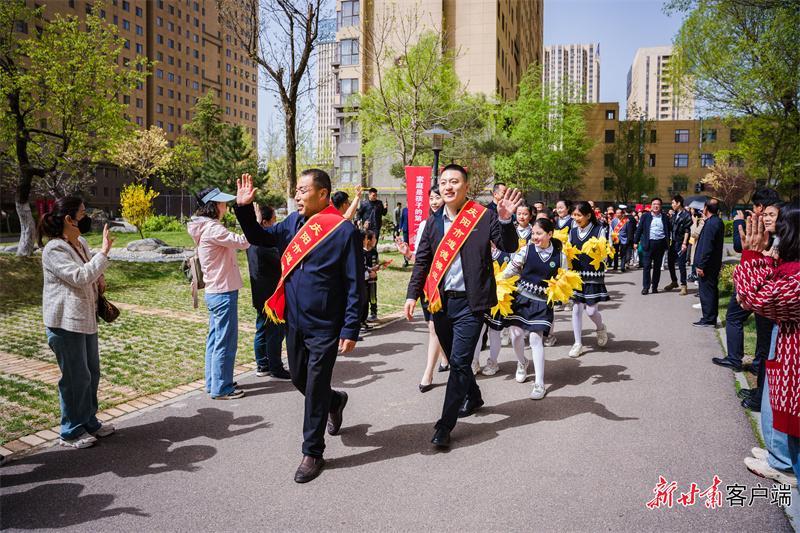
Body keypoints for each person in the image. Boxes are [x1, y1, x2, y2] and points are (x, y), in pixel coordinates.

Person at [235, 170, 362, 483]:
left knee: (315, 386)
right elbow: (260, 238)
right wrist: (243, 209)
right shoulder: (292, 224)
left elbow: (354, 284)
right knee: (299, 378)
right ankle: (335, 401)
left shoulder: (344, 231)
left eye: (303, 190)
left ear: (323, 194)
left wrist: (350, 328)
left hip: (326, 325)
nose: (297, 196)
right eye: (296, 191)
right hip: (294, 320)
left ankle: (312, 451)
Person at [405, 164, 522, 448]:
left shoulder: (483, 217)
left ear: (466, 186)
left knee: (458, 362)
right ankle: (474, 395)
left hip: (472, 304)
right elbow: (422, 261)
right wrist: (411, 295)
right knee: (457, 359)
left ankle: (444, 426)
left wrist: (506, 220)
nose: (448, 187)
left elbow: (509, 246)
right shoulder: (433, 222)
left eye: (454, 181)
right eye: (444, 182)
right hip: (440, 302)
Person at [40, 197, 116, 449]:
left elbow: (91, 272)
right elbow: (80, 276)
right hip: (64, 324)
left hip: (85, 318)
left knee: (91, 372)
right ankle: (70, 430)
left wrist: (100, 275)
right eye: (83, 213)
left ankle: (88, 420)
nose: (88, 217)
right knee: (75, 378)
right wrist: (104, 253)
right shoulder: (54, 250)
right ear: (69, 219)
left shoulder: (80, 243)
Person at [734, 202, 800, 482]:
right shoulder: (791, 267)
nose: (776, 231)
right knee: (779, 401)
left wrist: (751, 255)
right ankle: (780, 456)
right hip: (788, 345)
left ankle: (784, 462)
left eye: (781, 225)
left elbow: (757, 296)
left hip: (793, 351)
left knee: (791, 413)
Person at [188, 187, 250, 400]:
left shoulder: (204, 227)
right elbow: (243, 242)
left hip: (215, 292)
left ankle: (213, 382)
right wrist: (254, 222)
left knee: (215, 339)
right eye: (222, 203)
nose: (226, 206)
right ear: (213, 206)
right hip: (223, 292)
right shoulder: (213, 229)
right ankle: (221, 388)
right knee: (225, 341)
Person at [712, 189, 780, 378]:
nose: (766, 218)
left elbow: (738, 245)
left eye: (770, 215)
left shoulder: (763, 227)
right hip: (761, 284)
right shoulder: (779, 226)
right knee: (763, 327)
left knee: (735, 317)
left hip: (755, 284)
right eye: (766, 215)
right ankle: (758, 366)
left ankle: (736, 359)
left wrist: (739, 222)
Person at [498, 218, 566, 400]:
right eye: (533, 233)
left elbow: (564, 280)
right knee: (516, 335)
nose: (534, 237)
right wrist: (496, 281)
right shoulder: (526, 250)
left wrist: (562, 296)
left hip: (543, 303)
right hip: (521, 299)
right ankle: (522, 362)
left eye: (539, 233)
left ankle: (539, 383)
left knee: (536, 339)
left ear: (550, 234)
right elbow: (510, 270)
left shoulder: (560, 256)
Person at [395, 186, 449, 392]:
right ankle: (444, 359)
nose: (435, 201)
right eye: (432, 198)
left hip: (449, 285)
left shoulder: (457, 225)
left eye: (438, 197)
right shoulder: (426, 224)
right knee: (433, 327)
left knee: (435, 328)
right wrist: (408, 254)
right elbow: (422, 260)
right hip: (430, 284)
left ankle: (428, 373)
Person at [247, 204, 290, 380]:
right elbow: (282, 262)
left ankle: (262, 365)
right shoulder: (265, 245)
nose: (276, 224)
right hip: (270, 295)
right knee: (275, 332)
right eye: (273, 220)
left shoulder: (251, 242)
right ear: (265, 222)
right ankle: (276, 367)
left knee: (262, 330)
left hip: (259, 294)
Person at [568, 201, 611, 358]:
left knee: (591, 310)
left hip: (593, 274)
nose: (576, 218)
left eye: (579, 215)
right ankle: (577, 343)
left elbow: (605, 251)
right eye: (574, 215)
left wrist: (600, 250)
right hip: (577, 275)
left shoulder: (599, 229)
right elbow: (567, 252)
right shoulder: (572, 232)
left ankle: (600, 327)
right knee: (576, 308)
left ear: (588, 215)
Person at [692, 198, 725, 328]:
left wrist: (701, 265)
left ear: (706, 208)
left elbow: (707, 247)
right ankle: (710, 317)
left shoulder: (712, 223)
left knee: (707, 291)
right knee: (710, 290)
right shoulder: (716, 221)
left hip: (708, 265)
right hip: (712, 263)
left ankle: (709, 318)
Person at [634, 198, 672, 295]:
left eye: (658, 204)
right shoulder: (645, 216)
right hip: (648, 243)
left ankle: (655, 286)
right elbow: (639, 229)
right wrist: (635, 241)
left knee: (657, 267)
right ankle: (646, 287)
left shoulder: (664, 217)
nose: (656, 206)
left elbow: (670, 229)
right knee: (646, 266)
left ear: (661, 206)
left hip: (660, 244)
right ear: (651, 206)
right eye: (654, 204)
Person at [664, 195, 692, 295]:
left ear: (678, 203)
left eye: (673, 203)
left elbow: (687, 230)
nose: (672, 205)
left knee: (681, 265)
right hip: (673, 242)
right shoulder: (675, 214)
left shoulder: (686, 215)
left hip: (681, 243)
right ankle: (674, 281)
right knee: (671, 263)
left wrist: (684, 243)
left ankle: (684, 286)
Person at [362, 230, 380, 323]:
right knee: (364, 298)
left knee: (373, 296)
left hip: (373, 279)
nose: (375, 240)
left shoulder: (374, 252)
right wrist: (370, 270)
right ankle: (363, 317)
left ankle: (374, 313)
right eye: (374, 238)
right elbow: (362, 266)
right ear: (368, 240)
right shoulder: (361, 252)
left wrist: (378, 267)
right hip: (364, 280)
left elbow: (377, 263)